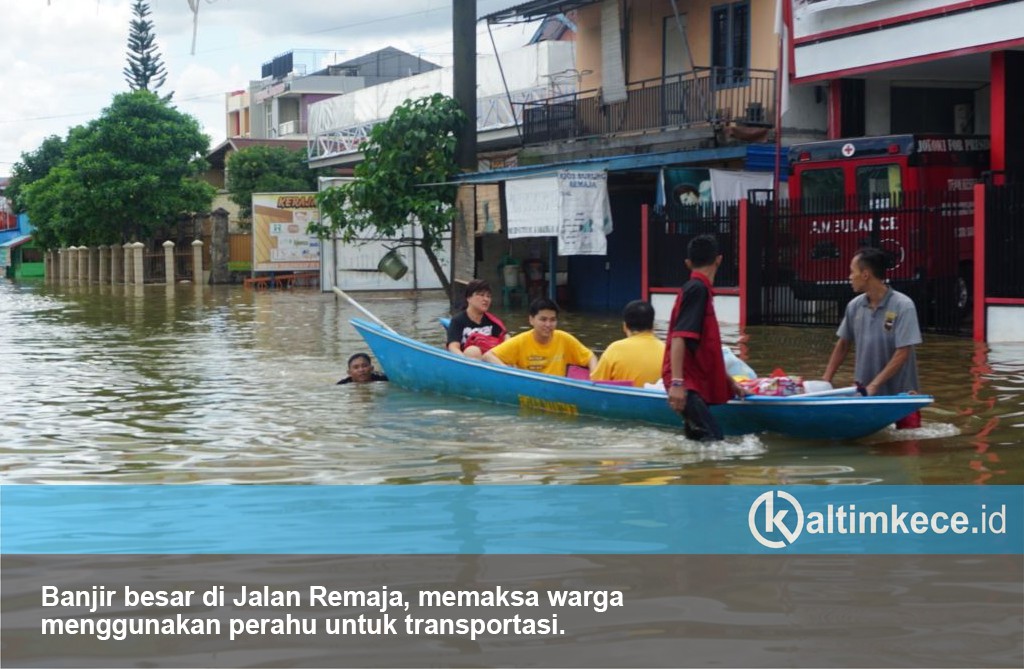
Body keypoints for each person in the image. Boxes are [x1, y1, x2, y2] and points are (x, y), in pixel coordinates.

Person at [823, 247, 923, 428]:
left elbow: (903, 352)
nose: (849, 277)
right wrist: (825, 381)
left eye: (852, 272)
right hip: (866, 397)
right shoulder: (854, 306)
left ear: (866, 274)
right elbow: (843, 344)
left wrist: (874, 385)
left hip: (902, 399)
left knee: (907, 447)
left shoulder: (903, 306)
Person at [663, 234, 746, 442]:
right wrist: (677, 384)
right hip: (686, 383)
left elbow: (703, 346)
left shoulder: (698, 290)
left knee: (698, 441)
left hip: (689, 380)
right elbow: (679, 337)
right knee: (714, 441)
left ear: (688, 263)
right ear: (719, 259)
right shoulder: (697, 290)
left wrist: (730, 382)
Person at [484, 297, 597, 376]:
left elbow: (590, 357)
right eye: (543, 319)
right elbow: (488, 356)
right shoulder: (521, 341)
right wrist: (509, 372)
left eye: (552, 320)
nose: (548, 325)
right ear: (531, 320)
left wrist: (594, 377)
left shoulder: (564, 339)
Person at [592, 299, 665, 387]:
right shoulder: (666, 350)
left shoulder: (615, 349)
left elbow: (596, 382)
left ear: (625, 326)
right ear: (653, 326)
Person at [446, 279, 508, 359]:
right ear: (469, 298)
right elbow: (453, 347)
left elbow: (506, 341)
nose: (486, 299)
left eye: (488, 296)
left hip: (491, 360)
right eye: (481, 295)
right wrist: (465, 360)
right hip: (468, 361)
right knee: (472, 351)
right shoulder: (458, 321)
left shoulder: (493, 321)